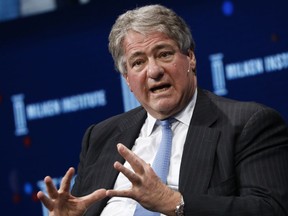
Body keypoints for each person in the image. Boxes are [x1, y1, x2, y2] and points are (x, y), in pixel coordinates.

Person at [37, 4, 288, 216]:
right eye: (138, 62)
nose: (154, 71)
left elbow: (270, 209)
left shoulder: (247, 124)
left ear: (190, 58)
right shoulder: (100, 137)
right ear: (127, 79)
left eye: (164, 54)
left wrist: (172, 202)